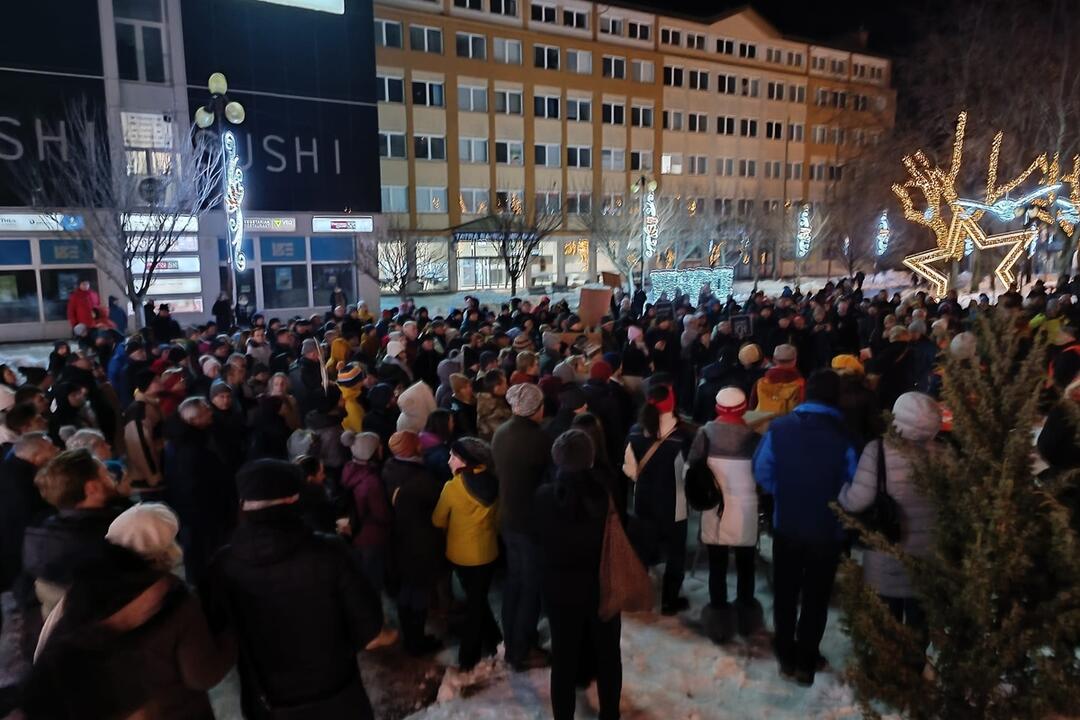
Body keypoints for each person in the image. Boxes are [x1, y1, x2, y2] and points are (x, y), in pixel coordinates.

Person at [205, 459, 383, 719]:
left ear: (243, 504)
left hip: (268, 702)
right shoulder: (329, 552)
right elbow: (368, 626)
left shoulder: (222, 566)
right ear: (292, 500)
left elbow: (219, 635)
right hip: (336, 694)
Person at [753, 370, 858, 685]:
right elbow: (855, 482)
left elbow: (762, 470)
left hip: (787, 524)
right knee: (816, 595)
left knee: (785, 590)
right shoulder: (846, 434)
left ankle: (786, 652)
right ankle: (806, 659)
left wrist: (785, 491)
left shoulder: (780, 428)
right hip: (827, 530)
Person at [839, 392, 941, 647]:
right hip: (929, 556)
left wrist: (841, 492)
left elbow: (857, 500)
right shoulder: (945, 455)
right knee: (920, 621)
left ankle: (888, 675)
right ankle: (914, 669)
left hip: (887, 550)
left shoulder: (878, 451)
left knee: (886, 619)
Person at [534, 429, 621, 720]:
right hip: (601, 585)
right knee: (608, 654)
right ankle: (609, 714)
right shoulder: (608, 494)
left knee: (563, 657)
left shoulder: (545, 498)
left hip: (560, 590)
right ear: (591, 458)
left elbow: (539, 541)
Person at [687, 387, 762, 643]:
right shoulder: (754, 438)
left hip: (714, 507)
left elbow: (691, 467)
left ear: (718, 408)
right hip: (746, 509)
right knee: (746, 564)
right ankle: (746, 616)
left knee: (717, 566)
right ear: (743, 410)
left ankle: (718, 617)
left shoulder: (704, 435)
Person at [23, 448, 127, 619]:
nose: (113, 477)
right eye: (106, 473)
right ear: (92, 488)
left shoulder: (43, 533)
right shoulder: (112, 536)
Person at [492, 382, 552, 670]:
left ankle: (513, 638)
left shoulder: (502, 432)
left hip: (507, 519)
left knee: (515, 583)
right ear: (536, 409)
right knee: (530, 587)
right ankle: (521, 650)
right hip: (529, 523)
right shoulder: (539, 439)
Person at [432, 437, 502, 670]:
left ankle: (468, 656)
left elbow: (437, 519)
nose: (448, 460)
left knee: (475, 603)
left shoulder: (453, 488)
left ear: (466, 462)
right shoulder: (494, 482)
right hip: (488, 553)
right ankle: (495, 640)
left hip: (462, 556)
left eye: (454, 456)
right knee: (478, 597)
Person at [623, 383, 693, 615]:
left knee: (642, 550)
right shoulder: (682, 436)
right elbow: (688, 473)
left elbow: (630, 470)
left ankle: (639, 596)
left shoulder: (634, 431)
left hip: (643, 502)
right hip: (675, 504)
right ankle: (670, 601)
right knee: (675, 554)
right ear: (671, 404)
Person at [382, 430, 445, 656]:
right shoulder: (421, 479)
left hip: (398, 540)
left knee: (407, 590)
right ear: (412, 448)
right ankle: (416, 642)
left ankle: (411, 636)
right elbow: (439, 504)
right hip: (419, 541)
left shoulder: (390, 468)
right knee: (418, 592)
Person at [164, 397, 237, 586]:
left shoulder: (188, 440)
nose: (211, 413)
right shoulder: (191, 449)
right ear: (193, 420)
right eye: (206, 412)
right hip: (202, 510)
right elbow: (195, 484)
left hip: (194, 509)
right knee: (203, 549)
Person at [340, 431, 391, 594]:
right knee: (373, 581)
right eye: (379, 446)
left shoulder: (348, 468)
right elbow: (382, 514)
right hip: (372, 537)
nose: (382, 448)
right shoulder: (372, 481)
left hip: (355, 532)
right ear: (372, 452)